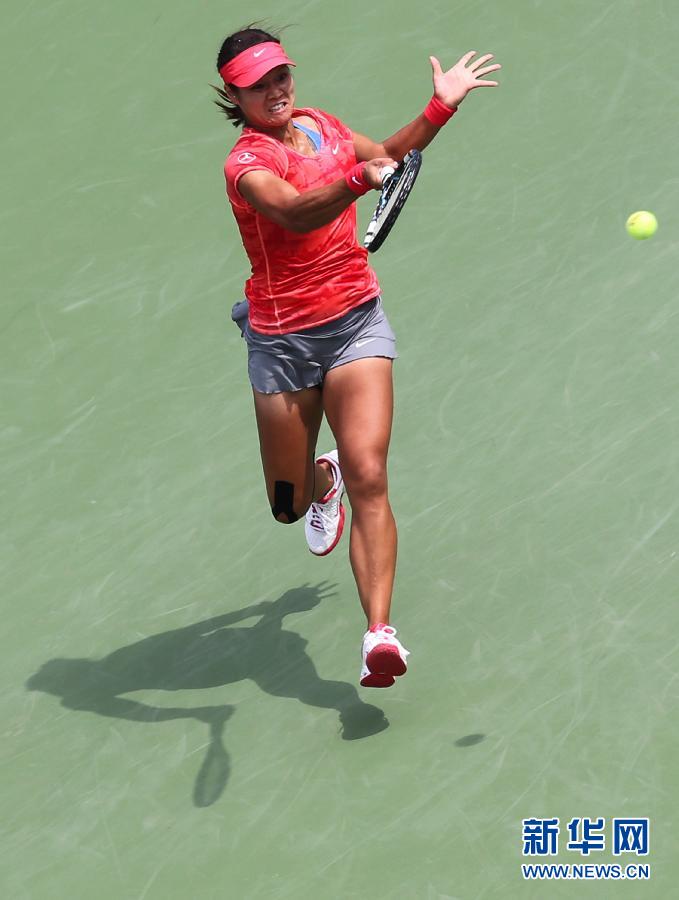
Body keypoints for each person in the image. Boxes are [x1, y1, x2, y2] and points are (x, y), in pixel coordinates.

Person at [215, 26, 500, 687]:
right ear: (236, 95)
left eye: (280, 74)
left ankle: (379, 634)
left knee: (371, 472)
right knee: (286, 508)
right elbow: (293, 213)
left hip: (353, 324)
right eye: (258, 85)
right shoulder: (247, 165)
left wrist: (440, 107)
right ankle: (321, 479)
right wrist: (354, 177)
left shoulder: (323, 126)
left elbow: (389, 156)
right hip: (282, 342)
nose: (276, 90)